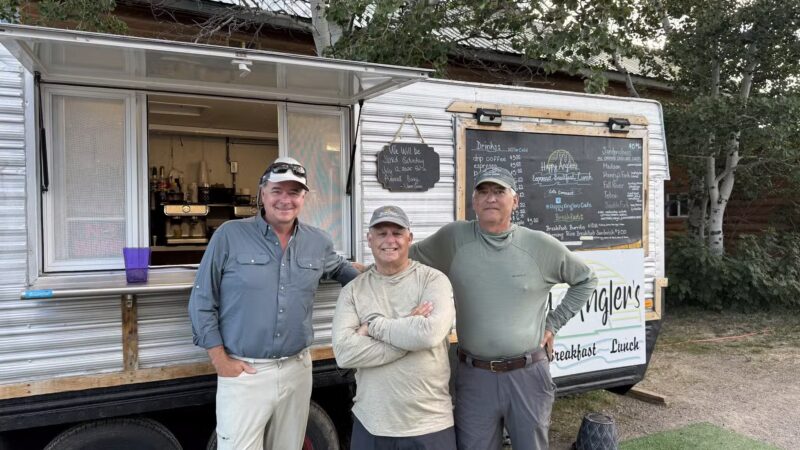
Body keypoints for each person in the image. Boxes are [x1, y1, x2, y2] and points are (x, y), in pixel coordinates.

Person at [408, 166, 598, 450]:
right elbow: (402, 259)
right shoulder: (453, 239)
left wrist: (552, 324)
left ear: (515, 201)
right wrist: (363, 272)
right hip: (473, 376)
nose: (490, 199)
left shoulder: (539, 245)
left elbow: (586, 279)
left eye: (499, 192)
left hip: (527, 375)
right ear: (474, 201)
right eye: (483, 192)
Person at [188, 156, 360, 450]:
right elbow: (202, 300)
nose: (285, 199)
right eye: (277, 190)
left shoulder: (318, 242)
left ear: (304, 198)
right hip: (245, 372)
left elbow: (347, 274)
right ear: (262, 194)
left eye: (294, 192)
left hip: (297, 370)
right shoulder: (229, 235)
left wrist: (393, 275)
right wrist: (220, 360)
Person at [332, 205, 457, 450]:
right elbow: (344, 353)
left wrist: (372, 326)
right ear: (369, 239)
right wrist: (407, 335)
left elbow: (428, 334)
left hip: (430, 425)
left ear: (409, 238)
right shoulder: (353, 291)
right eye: (382, 233)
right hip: (372, 425)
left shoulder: (433, 280)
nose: (390, 240)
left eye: (397, 233)